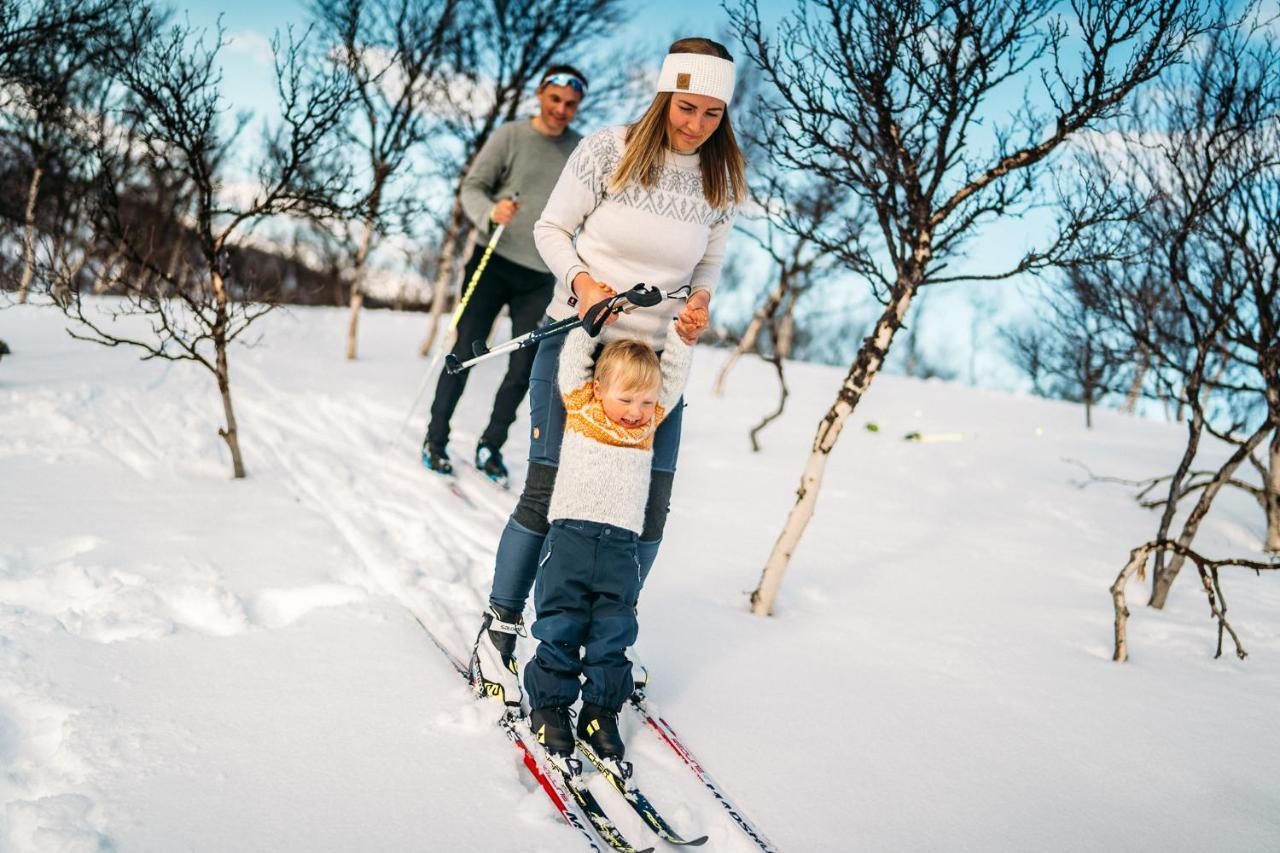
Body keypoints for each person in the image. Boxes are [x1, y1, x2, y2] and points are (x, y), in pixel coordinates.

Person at [469, 38, 746, 718]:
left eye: (713, 113)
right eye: (687, 107)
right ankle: (501, 625)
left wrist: (700, 305)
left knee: (648, 506)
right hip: (579, 346)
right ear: (664, 97)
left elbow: (705, 269)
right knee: (547, 488)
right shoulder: (608, 149)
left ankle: (607, 631)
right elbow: (552, 228)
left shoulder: (721, 178)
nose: (697, 125)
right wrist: (584, 281)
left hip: (655, 370)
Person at [524, 323, 691, 764]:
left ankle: (600, 709)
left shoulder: (650, 422)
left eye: (645, 401)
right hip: (571, 539)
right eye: (626, 399)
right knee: (561, 624)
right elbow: (575, 359)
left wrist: (683, 339)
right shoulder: (582, 407)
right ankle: (550, 706)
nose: (636, 411)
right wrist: (589, 321)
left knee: (612, 632)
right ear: (599, 390)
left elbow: (672, 376)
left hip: (620, 547)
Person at [422, 65, 587, 486]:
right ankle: (435, 439)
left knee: (523, 366)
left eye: (570, 104)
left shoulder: (581, 151)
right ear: (540, 95)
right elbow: (472, 187)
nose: (561, 110)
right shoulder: (511, 135)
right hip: (492, 260)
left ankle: (490, 446)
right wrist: (490, 212)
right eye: (554, 100)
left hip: (540, 275)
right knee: (466, 351)